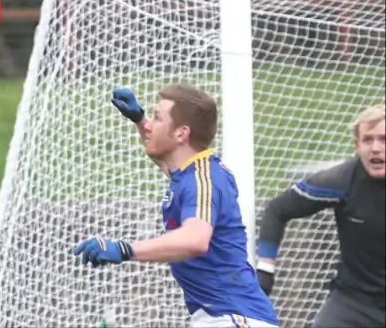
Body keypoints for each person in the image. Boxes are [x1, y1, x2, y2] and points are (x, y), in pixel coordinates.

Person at [72, 84, 279, 328]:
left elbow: (195, 239)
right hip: (222, 317)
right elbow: (162, 158)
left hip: (233, 317)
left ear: (182, 134)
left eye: (157, 118)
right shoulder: (189, 175)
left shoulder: (203, 179)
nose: (150, 124)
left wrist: (124, 249)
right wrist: (141, 120)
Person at [256, 104, 385, 328]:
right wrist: (264, 273)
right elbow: (277, 209)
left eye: (384, 139)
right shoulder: (342, 180)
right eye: (368, 140)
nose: (375, 148)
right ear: (357, 144)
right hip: (354, 301)